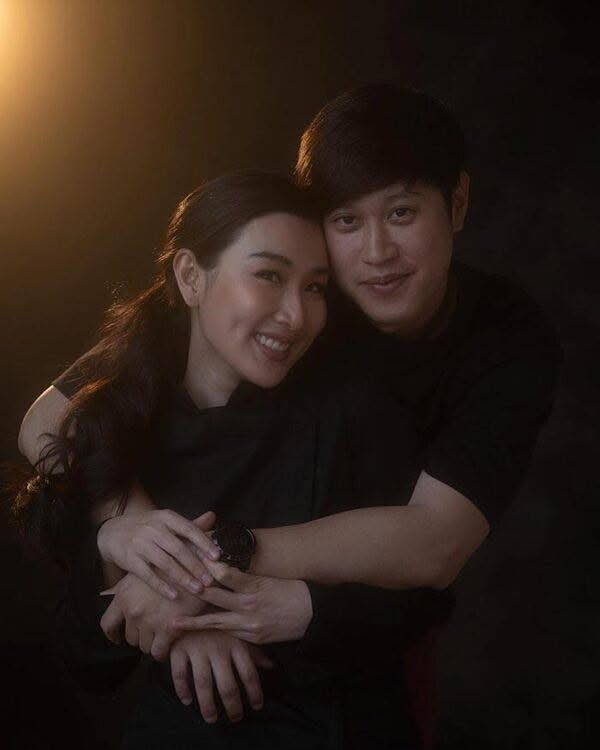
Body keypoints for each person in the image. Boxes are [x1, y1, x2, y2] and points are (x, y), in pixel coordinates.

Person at [18, 84, 561, 744]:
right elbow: (53, 417)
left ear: (458, 204)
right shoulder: (292, 307)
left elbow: (433, 545)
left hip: (364, 628)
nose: (377, 253)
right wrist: (136, 537)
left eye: (401, 213)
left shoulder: (506, 339)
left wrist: (206, 573)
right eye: (346, 221)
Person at [15, 169, 439, 749]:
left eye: (315, 288)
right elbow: (86, 661)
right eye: (269, 275)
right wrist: (123, 551)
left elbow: (417, 601)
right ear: (191, 277)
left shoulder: (349, 410)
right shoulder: (123, 427)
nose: (296, 315)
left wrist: (225, 603)